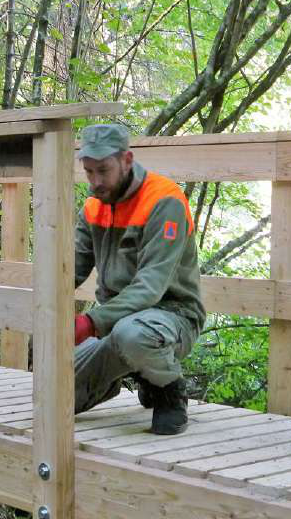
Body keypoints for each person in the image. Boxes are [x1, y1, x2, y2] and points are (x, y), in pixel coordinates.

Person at [72, 124, 206, 435]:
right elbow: (69, 269)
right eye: (89, 172)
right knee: (52, 393)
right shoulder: (93, 207)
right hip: (115, 327)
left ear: (127, 160)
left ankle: (170, 391)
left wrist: (89, 323)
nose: (96, 182)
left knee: (132, 335)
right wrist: (42, 306)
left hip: (172, 317)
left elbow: (150, 287)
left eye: (103, 170)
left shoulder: (164, 201)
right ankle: (127, 375)